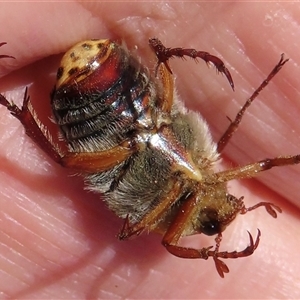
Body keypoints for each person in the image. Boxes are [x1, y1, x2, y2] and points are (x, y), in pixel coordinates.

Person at [0, 2, 299, 298]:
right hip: (128, 84)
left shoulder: (168, 220)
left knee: (67, 160)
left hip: (100, 124)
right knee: (166, 98)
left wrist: (206, 253)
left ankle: (17, 110)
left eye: (211, 224)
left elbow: (154, 238)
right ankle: (161, 51)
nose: (223, 206)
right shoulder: (209, 167)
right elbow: (265, 163)